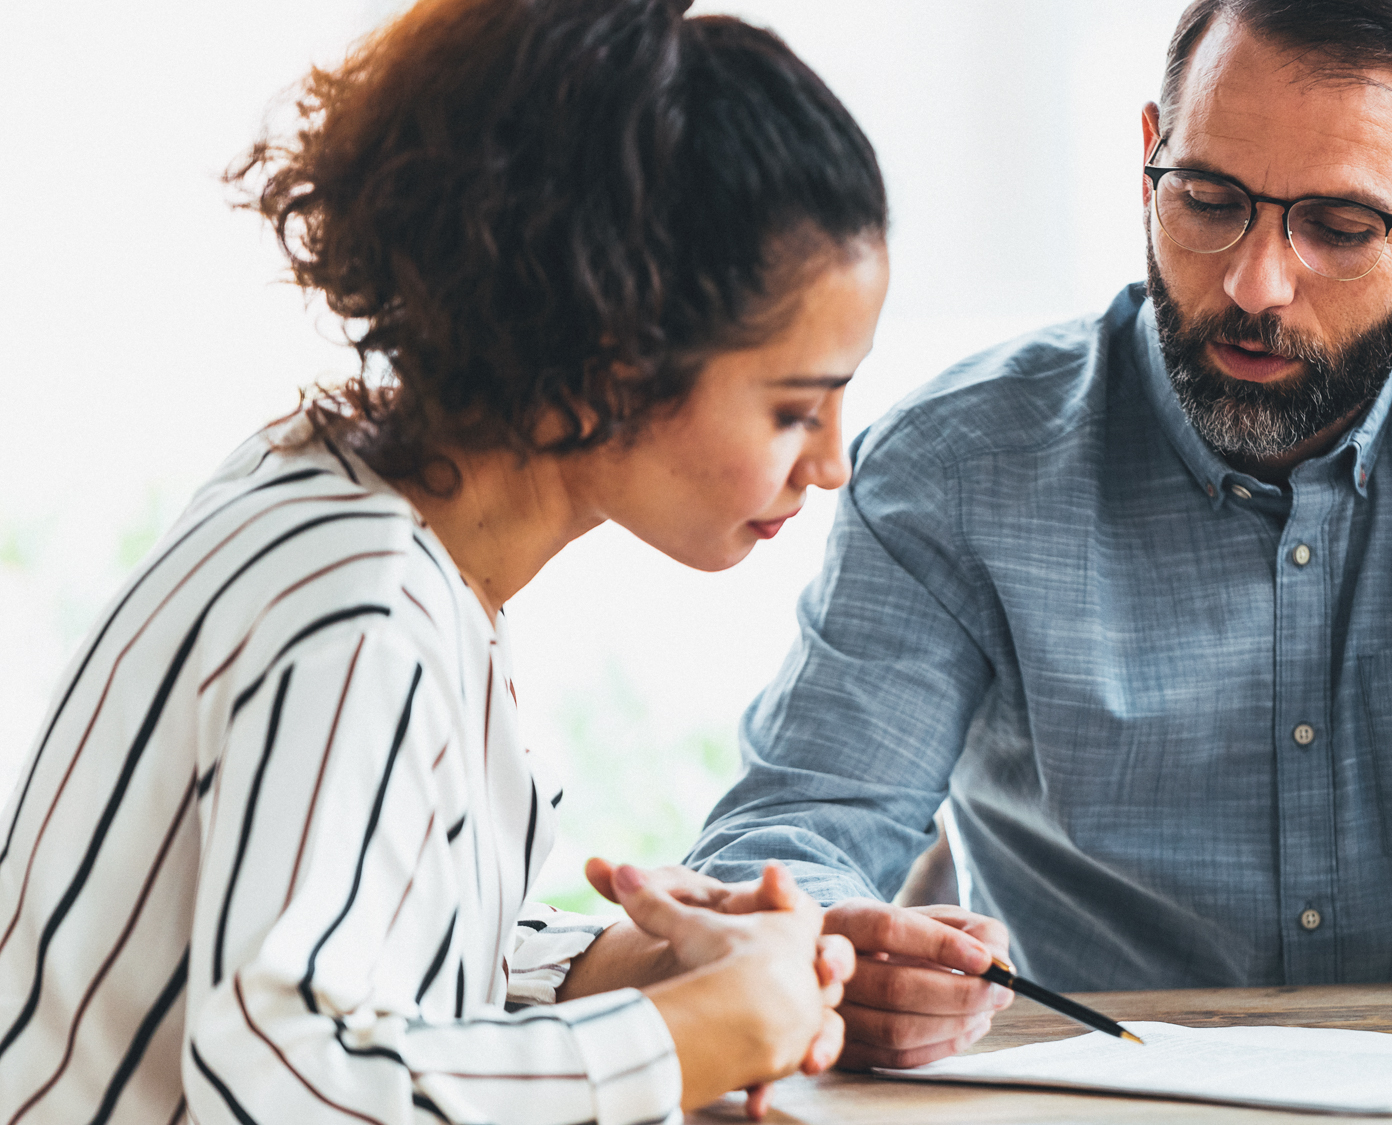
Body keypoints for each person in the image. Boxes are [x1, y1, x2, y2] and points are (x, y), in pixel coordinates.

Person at [689, 0, 1392, 1070]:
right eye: (1208, 198)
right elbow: (792, 833)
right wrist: (831, 949)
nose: (1254, 282)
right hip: (1066, 1095)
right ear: (1147, 162)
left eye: (1338, 225)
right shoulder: (954, 462)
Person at [0, 2, 895, 1122]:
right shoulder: (355, 610)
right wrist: (693, 1035)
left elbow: (361, 957)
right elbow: (293, 1078)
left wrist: (636, 969)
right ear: (608, 355)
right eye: (792, 409)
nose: (830, 465)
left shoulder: (348, 511)